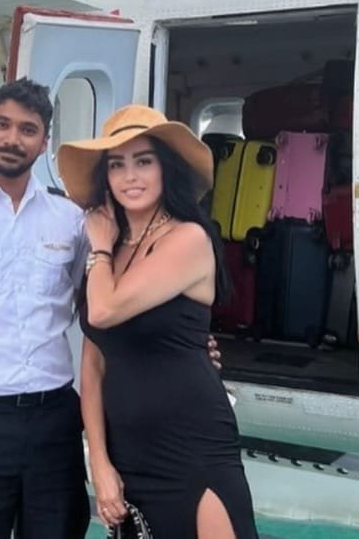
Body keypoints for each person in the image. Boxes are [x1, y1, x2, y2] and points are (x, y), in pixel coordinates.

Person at [0, 78, 224, 539]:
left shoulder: (71, 218)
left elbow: (109, 309)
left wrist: (184, 346)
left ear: (44, 141)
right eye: (2, 125)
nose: (12, 139)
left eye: (27, 129)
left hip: (53, 420)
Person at [57, 104, 260, 539]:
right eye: (117, 165)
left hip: (193, 445)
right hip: (129, 452)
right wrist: (100, 462)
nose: (130, 176)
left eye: (143, 161)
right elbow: (92, 364)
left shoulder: (187, 238)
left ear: (166, 168)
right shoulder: (108, 253)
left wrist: (99, 249)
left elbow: (104, 311)